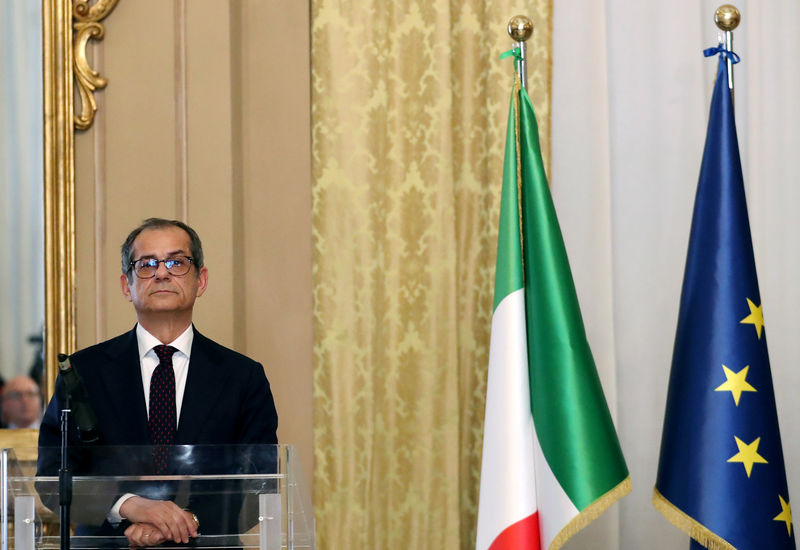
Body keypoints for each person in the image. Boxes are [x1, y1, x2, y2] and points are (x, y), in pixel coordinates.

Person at [38, 218, 279, 547]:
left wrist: (183, 522)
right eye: (147, 264)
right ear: (127, 285)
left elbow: (259, 482)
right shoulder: (84, 371)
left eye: (177, 262)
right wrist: (130, 506)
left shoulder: (242, 376)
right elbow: (53, 475)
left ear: (201, 280)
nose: (162, 273)